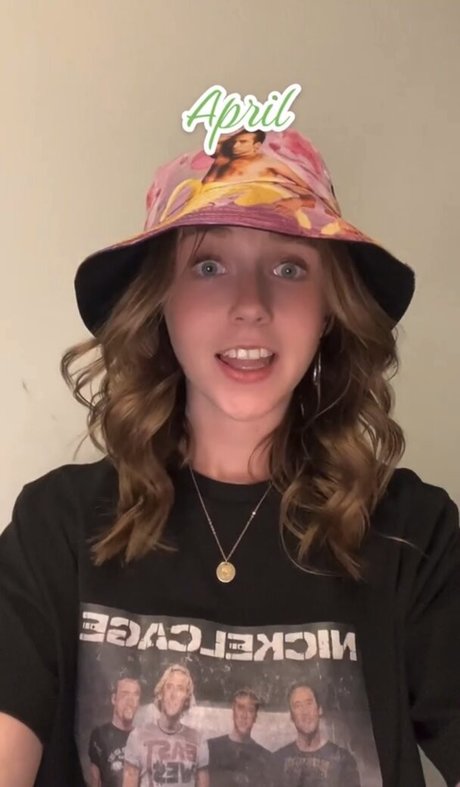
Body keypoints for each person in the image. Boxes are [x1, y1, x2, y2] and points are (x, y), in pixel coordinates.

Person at [0, 123, 459, 787]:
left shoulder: (414, 533)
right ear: (160, 301)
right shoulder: (58, 526)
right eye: (209, 265)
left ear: (330, 308)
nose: (251, 305)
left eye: (289, 267)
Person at [122, 664, 208, 787]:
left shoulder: (198, 740)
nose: (173, 694)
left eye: (180, 689)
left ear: (186, 699)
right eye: (169, 687)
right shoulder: (137, 737)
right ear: (161, 694)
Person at [272, 682, 360, 786]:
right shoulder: (277, 760)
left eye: (309, 703)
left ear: (319, 710)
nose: (305, 712)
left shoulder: (343, 760)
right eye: (298, 706)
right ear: (292, 716)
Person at [207, 689, 270, 787]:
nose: (244, 715)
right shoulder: (211, 748)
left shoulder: (265, 757)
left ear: (255, 717)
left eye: (250, 710)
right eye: (240, 708)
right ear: (233, 711)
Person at [88, 673, 142, 787]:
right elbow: (95, 779)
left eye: (135, 695)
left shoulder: (143, 738)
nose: (130, 701)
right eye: (125, 694)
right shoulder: (100, 735)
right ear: (114, 699)